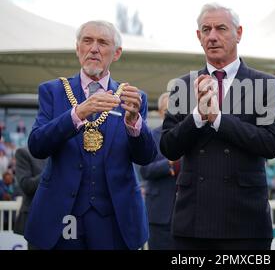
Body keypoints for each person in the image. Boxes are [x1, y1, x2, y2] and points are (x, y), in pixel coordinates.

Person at [160, 3, 275, 250]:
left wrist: (218, 119)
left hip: (245, 222)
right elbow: (168, 147)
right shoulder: (181, 86)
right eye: (206, 29)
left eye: (221, 28)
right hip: (193, 222)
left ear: (238, 33)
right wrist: (197, 116)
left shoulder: (266, 84)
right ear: (198, 36)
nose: (212, 36)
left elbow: (271, 144)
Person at [25, 20, 157, 250]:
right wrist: (78, 113)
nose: (94, 48)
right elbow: (37, 145)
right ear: (78, 49)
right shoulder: (53, 91)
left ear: (116, 53)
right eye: (87, 41)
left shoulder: (133, 97)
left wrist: (134, 123)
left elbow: (146, 158)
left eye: (103, 42)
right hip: (61, 217)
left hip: (114, 219)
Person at [140, 92, 179, 250]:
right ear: (160, 112)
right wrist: (170, 164)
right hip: (160, 214)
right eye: (168, 110)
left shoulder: (191, 135)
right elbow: (145, 170)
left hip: (189, 214)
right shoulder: (151, 136)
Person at [12, 147, 47, 247]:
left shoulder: (62, 153)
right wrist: (50, 170)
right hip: (36, 220)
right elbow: (26, 185)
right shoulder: (24, 152)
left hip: (62, 221)